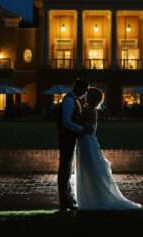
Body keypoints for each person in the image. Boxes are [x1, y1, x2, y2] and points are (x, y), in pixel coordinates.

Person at [76, 87, 143, 210]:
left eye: (87, 95)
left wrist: (77, 123)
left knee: (89, 168)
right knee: (88, 168)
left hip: (86, 142)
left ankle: (92, 198)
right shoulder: (89, 109)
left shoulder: (90, 110)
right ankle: (90, 197)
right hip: (85, 141)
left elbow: (90, 128)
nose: (85, 96)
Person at [56, 78, 91, 211]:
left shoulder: (74, 99)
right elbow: (66, 122)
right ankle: (64, 200)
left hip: (70, 138)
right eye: (85, 89)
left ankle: (67, 198)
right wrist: (82, 129)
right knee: (65, 168)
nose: (86, 93)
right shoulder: (69, 100)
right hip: (66, 138)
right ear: (79, 88)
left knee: (67, 169)